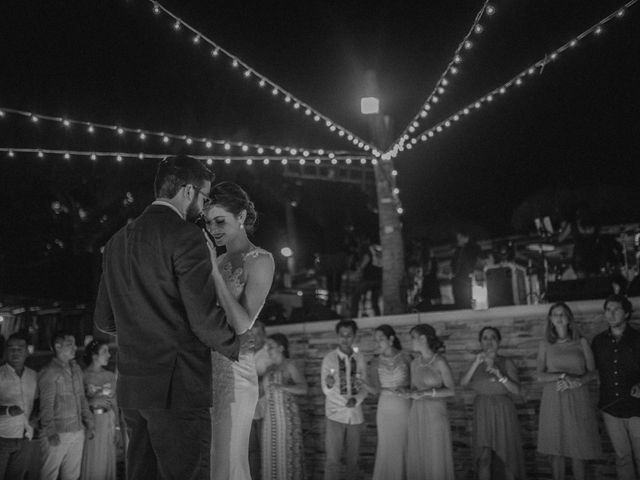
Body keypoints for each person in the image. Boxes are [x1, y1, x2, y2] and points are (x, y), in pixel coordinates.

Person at [94, 155, 241, 480]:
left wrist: (143, 325)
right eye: (203, 197)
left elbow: (105, 319)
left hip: (133, 386)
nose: (203, 208)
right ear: (188, 191)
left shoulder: (117, 241)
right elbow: (203, 321)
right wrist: (236, 345)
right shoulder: (185, 236)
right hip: (177, 386)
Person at [203, 181, 275, 480]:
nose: (214, 229)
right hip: (204, 369)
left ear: (242, 217)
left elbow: (243, 323)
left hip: (234, 370)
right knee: (207, 460)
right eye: (208, 222)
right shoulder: (217, 259)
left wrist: (212, 273)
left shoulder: (260, 260)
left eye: (220, 221)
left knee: (228, 460)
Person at [535, 302, 601, 480]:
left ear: (569, 318)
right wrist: (563, 376)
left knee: (577, 450)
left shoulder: (581, 342)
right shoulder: (545, 344)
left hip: (577, 397)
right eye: (555, 314)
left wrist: (578, 381)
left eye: (562, 314)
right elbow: (539, 375)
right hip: (553, 399)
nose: (559, 317)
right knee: (556, 451)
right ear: (550, 319)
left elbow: (593, 372)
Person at [460, 326, 525, 480]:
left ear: (499, 342)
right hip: (482, 411)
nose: (489, 341)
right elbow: (463, 383)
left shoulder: (506, 362)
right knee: (484, 458)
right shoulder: (475, 363)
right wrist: (476, 363)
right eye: (485, 338)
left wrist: (500, 374)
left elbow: (517, 390)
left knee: (507, 458)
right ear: (480, 342)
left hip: (503, 411)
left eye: (493, 337)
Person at [591, 294, 640, 480]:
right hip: (611, 407)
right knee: (622, 458)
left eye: (616, 309)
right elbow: (590, 370)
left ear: (626, 313)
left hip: (637, 408)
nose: (610, 314)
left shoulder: (638, 338)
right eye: (608, 310)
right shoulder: (598, 341)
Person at [39, 331, 95, 480]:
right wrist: (50, 432)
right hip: (58, 431)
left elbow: (81, 397)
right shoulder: (49, 372)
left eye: (74, 344)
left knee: (72, 475)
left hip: (77, 429)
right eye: (70, 344)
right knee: (49, 474)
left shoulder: (76, 369)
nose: (75, 348)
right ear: (57, 347)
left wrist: (89, 423)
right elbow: (46, 404)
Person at [405, 324, 456, 480]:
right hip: (417, 412)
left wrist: (427, 392)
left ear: (423, 338)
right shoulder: (414, 363)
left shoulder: (439, 361)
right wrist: (406, 393)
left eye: (413, 337)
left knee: (435, 453)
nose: (411, 341)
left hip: (435, 413)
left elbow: (451, 390)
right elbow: (414, 389)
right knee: (419, 451)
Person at [360, 325, 411, 480]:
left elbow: (414, 384)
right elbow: (376, 390)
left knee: (404, 444)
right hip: (385, 408)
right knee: (386, 446)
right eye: (376, 340)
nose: (378, 343)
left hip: (403, 406)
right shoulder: (375, 362)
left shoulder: (406, 357)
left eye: (381, 339)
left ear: (391, 339)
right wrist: (362, 383)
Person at [321, 319, 368, 480]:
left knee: (353, 461)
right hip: (335, 414)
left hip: (355, 415)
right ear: (337, 336)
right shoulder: (330, 358)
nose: (345, 339)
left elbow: (364, 386)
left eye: (349, 335)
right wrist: (329, 384)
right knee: (333, 460)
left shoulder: (360, 358)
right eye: (342, 335)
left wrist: (356, 400)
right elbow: (325, 389)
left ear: (354, 336)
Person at [261, 333, 307, 480]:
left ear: (281, 348)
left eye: (271, 347)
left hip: (288, 422)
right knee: (271, 458)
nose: (268, 350)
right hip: (270, 422)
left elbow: (304, 388)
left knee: (288, 457)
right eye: (267, 347)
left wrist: (283, 387)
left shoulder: (289, 365)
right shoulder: (268, 369)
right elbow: (261, 392)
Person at [0, 332, 38, 480]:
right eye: (11, 348)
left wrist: (36, 416)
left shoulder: (33, 375)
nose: (15, 352)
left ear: (27, 351)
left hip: (25, 436)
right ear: (5, 351)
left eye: (20, 348)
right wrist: (8, 410)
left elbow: (37, 400)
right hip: (2, 436)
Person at [81, 339, 117, 480]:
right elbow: (77, 400)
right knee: (93, 456)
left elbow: (115, 403)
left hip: (108, 419)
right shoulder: (82, 375)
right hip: (91, 420)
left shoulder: (109, 376)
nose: (109, 355)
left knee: (106, 457)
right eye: (104, 352)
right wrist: (92, 401)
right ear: (94, 356)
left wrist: (118, 427)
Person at [249, 321, 272, 480]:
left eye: (258, 334)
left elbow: (271, 379)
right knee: (251, 451)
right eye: (252, 334)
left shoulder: (270, 353)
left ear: (264, 335)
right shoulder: (244, 352)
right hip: (247, 411)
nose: (255, 338)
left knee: (268, 450)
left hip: (266, 410)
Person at [349, 239, 382, 317]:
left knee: (355, 295)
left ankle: (353, 316)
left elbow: (366, 259)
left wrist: (358, 272)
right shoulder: (378, 248)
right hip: (379, 278)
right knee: (374, 301)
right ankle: (378, 316)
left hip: (369, 279)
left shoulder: (367, 249)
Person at [451, 230, 480, 309]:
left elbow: (473, 261)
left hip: (466, 276)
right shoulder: (459, 249)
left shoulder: (471, 247)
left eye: (460, 238)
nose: (458, 240)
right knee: (460, 297)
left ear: (465, 237)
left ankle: (469, 308)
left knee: (467, 296)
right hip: (459, 277)